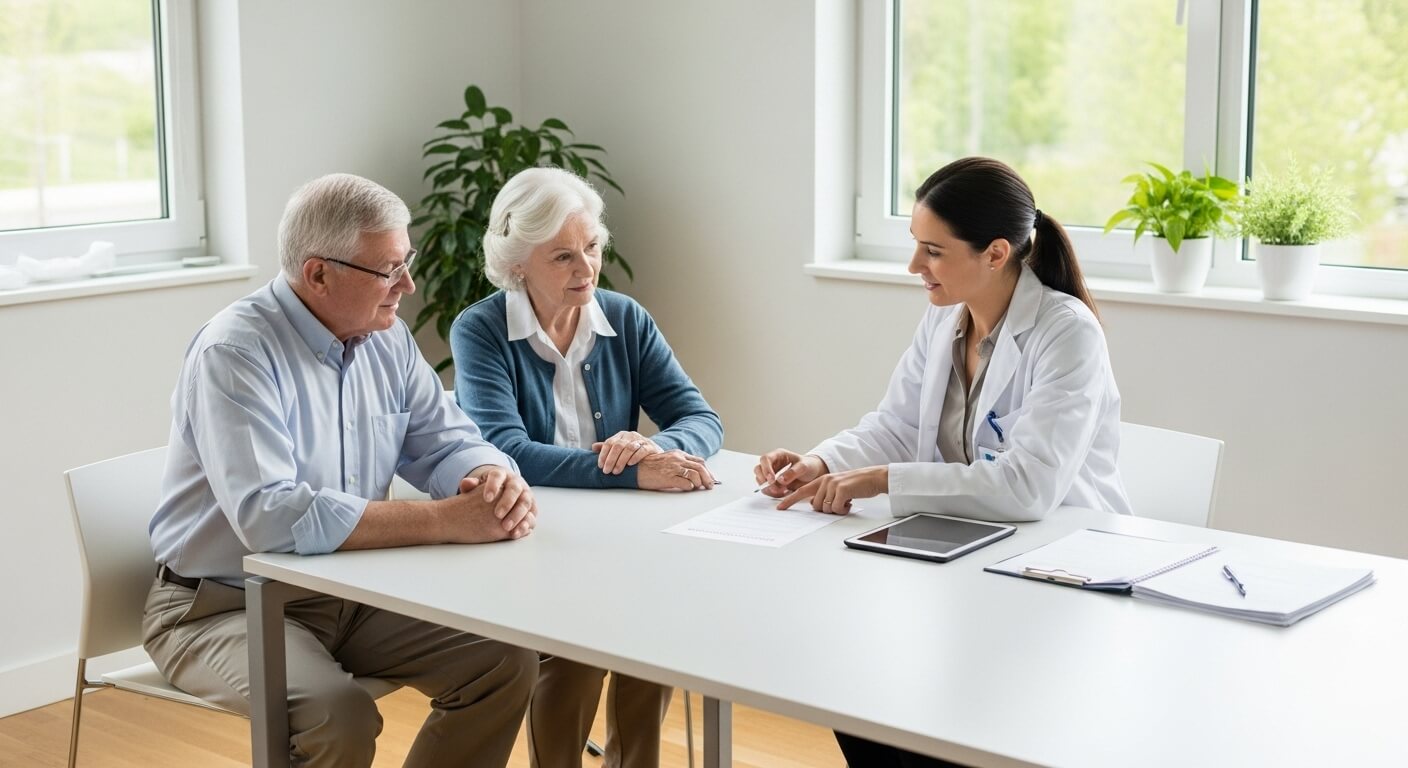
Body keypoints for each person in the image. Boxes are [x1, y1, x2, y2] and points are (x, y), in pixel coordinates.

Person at [144, 173, 540, 768]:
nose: (408, 284)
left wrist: (488, 475)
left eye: (407, 262)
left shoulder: (389, 340)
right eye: (388, 270)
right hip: (222, 608)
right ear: (318, 274)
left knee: (504, 661)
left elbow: (446, 439)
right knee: (340, 714)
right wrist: (443, 520)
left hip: (347, 593)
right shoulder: (236, 351)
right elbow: (270, 518)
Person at [755, 157, 1131, 767]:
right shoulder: (943, 320)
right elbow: (897, 426)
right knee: (853, 691)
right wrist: (823, 462)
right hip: (958, 556)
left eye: (933, 250)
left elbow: (1028, 487)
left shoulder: (1067, 332)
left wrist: (881, 481)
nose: (914, 267)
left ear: (995, 253)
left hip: (1055, 571)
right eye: (914, 246)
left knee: (931, 708)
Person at [450, 166, 724, 768]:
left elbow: (700, 418)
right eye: (563, 257)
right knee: (573, 652)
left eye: (593, 248)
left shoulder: (624, 318)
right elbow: (507, 450)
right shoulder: (480, 330)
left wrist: (657, 451)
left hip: (618, 531)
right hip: (533, 533)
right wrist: (627, 473)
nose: (586, 270)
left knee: (650, 638)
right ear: (517, 261)